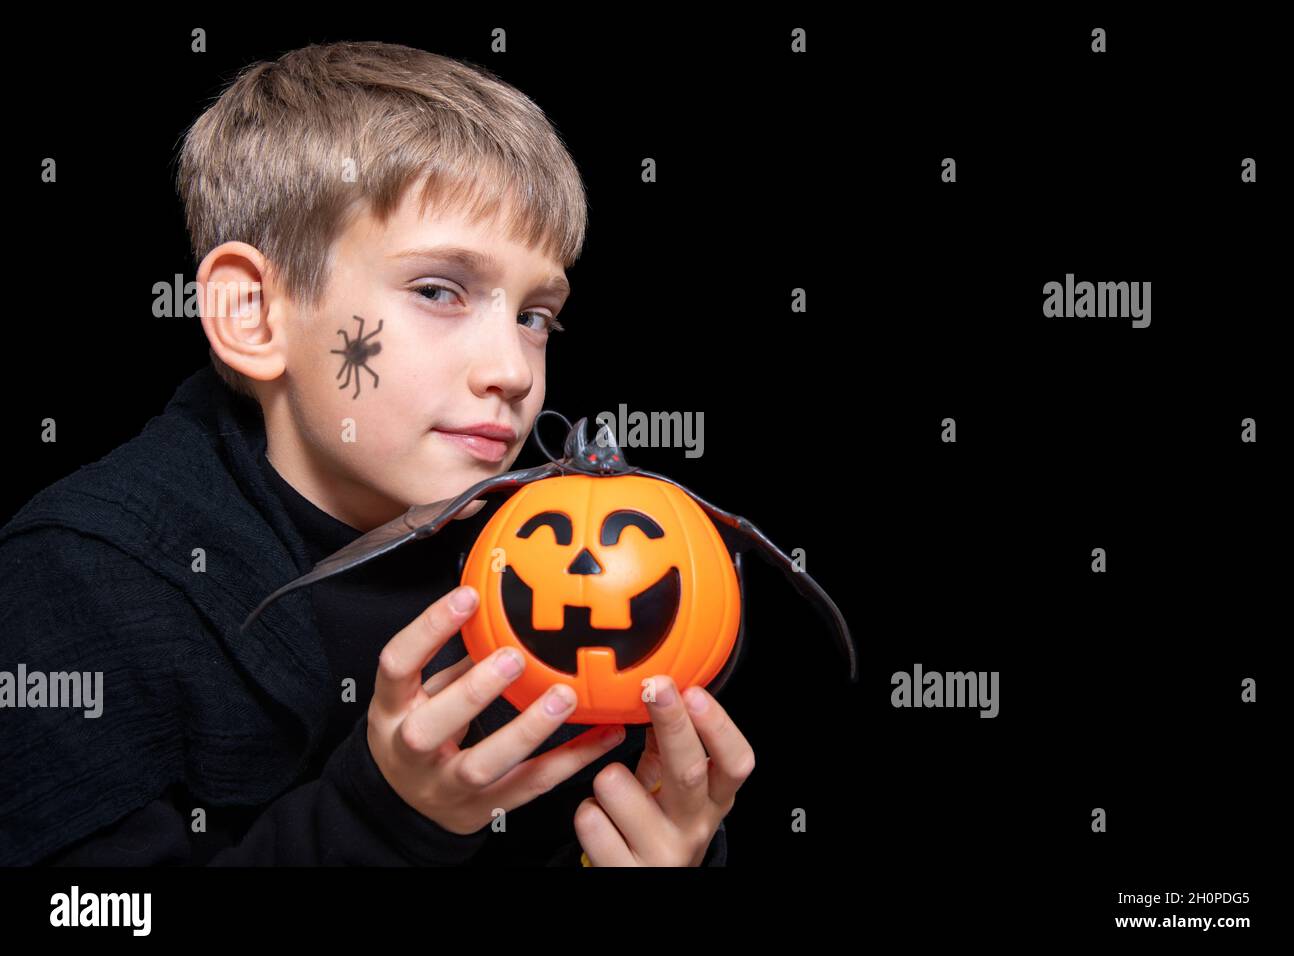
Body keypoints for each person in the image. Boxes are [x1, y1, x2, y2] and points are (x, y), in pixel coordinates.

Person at [0, 41, 753, 866]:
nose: (512, 371)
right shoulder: (80, 578)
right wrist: (381, 818)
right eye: (439, 291)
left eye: (536, 316)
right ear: (252, 315)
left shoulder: (559, 565)